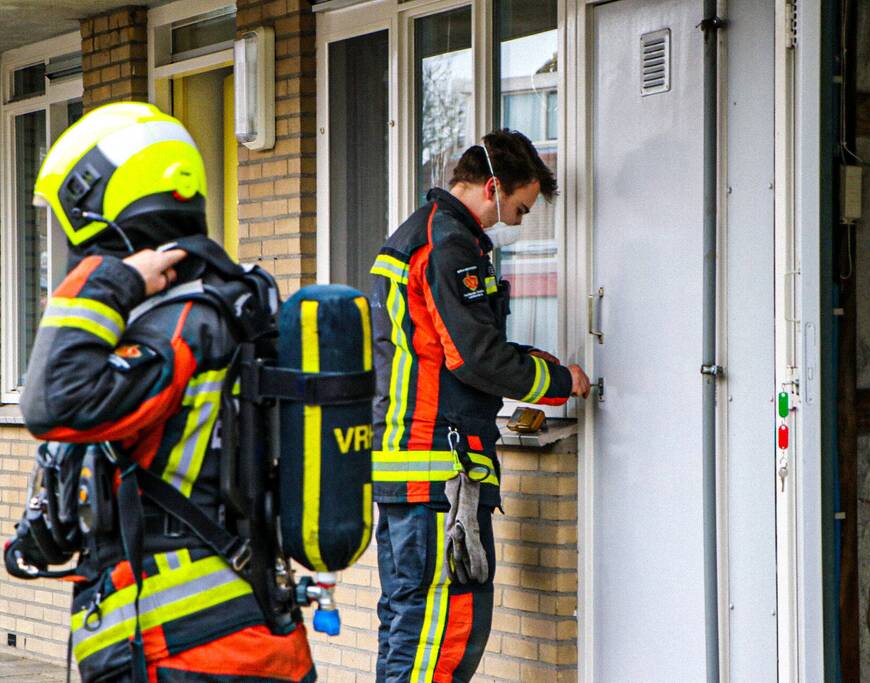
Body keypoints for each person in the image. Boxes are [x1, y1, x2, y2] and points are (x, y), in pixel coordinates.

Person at [17, 102, 315, 682]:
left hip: (186, 650)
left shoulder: (182, 325)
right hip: (245, 642)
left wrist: (111, 283)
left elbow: (53, 402)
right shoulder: (226, 307)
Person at [370, 129, 591, 682]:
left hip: (410, 466)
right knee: (441, 633)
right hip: (440, 470)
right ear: (493, 187)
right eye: (518, 209)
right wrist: (559, 380)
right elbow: (475, 359)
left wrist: (528, 360)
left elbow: (444, 346)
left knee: (409, 628)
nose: (512, 223)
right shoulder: (449, 244)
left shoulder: (418, 235)